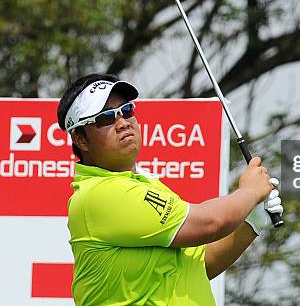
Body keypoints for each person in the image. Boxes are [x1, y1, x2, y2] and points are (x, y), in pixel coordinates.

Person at [57, 73, 284, 306]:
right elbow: (211, 223)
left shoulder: (145, 185)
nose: (123, 122)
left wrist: (251, 223)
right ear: (81, 140)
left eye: (126, 110)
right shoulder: (100, 194)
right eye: (105, 118)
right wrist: (249, 192)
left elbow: (201, 263)